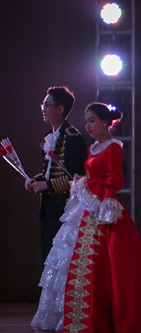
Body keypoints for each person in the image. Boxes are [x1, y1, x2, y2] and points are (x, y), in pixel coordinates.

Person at [31, 102, 141, 333]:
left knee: (107, 262)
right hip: (87, 205)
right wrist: (82, 180)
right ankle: (73, 315)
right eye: (86, 121)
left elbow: (115, 181)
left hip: (103, 206)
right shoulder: (93, 147)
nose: (88, 125)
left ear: (105, 122)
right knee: (75, 257)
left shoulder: (114, 147)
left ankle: (99, 316)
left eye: (92, 121)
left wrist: (87, 183)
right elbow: (91, 175)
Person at [25, 85, 86, 263]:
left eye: (47, 105)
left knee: (62, 261)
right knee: (48, 260)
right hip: (47, 209)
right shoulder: (49, 136)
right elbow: (49, 172)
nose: (43, 109)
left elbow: (77, 178)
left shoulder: (73, 137)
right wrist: (34, 180)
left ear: (60, 109)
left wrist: (46, 185)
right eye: (43, 105)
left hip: (65, 209)